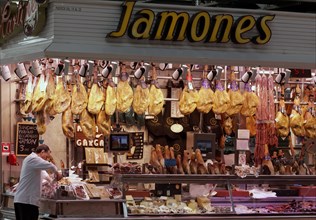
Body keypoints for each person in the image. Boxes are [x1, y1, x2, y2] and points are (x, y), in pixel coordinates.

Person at [14, 144, 63, 220]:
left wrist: (52, 180)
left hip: (29, 202)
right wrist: (58, 173)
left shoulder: (35, 164)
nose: (47, 159)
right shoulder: (32, 159)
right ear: (42, 152)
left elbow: (45, 176)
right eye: (47, 156)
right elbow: (50, 166)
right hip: (25, 201)